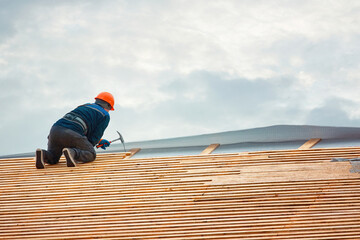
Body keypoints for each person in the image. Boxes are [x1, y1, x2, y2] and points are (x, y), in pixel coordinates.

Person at [35, 92, 115, 169]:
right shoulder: (105, 115)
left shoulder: (85, 105)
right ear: (108, 105)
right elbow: (93, 138)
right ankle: (72, 153)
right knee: (91, 154)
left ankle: (43, 154)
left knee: (53, 158)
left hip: (55, 130)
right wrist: (90, 146)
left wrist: (99, 141)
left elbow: (77, 125)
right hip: (72, 133)